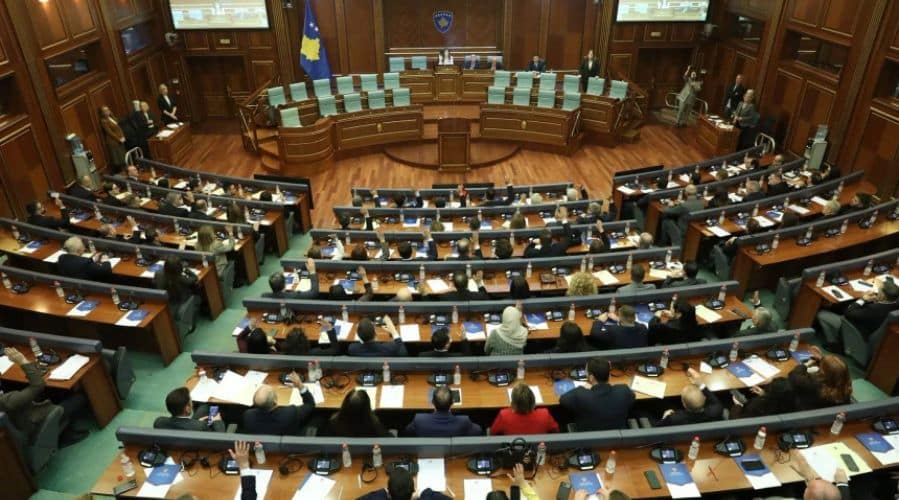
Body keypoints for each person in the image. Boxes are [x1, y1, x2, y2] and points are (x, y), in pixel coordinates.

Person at [0, 347, 63, 443]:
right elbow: (38, 385)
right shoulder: (7, 401)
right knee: (77, 399)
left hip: (19, 417)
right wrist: (22, 360)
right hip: (34, 422)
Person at [559, 357, 635, 431]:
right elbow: (632, 397)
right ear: (609, 376)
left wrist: (583, 388)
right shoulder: (624, 391)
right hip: (619, 438)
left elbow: (562, 400)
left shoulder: (580, 394)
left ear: (591, 377)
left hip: (589, 438)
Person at [242, 373, 314, 435]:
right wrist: (300, 385)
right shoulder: (290, 413)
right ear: (275, 400)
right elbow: (310, 404)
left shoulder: (248, 416)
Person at [405, 386, 481, 437]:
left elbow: (408, 431)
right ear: (453, 402)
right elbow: (478, 431)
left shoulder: (419, 420)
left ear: (432, 402)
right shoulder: (464, 421)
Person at [656, 368, 724, 426]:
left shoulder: (674, 418)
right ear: (705, 398)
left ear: (683, 404)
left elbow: (657, 428)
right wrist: (700, 384)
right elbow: (715, 401)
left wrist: (664, 417)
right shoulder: (716, 411)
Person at [490, 383, 559, 435]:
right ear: (533, 400)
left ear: (513, 403)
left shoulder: (504, 415)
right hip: (538, 448)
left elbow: (493, 432)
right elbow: (555, 430)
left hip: (513, 448)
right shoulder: (544, 414)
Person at [321, 389, 389, 437]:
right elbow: (389, 439)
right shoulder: (375, 426)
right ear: (367, 407)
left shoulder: (333, 424)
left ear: (345, 404)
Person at [358, 466, 451, 500]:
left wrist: (383, 492)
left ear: (389, 492)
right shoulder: (427, 497)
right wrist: (423, 493)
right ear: (413, 491)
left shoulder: (379, 497)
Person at [154, 387, 225, 431]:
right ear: (187, 409)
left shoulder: (159, 422)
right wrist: (217, 421)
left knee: (204, 407)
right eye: (191, 401)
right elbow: (219, 439)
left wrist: (196, 423)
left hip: (181, 439)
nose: (192, 404)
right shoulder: (201, 427)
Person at [730, 377, 796, 418]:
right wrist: (764, 394)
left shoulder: (757, 406)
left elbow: (737, 420)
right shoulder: (791, 405)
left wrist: (738, 406)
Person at [99, 106, 127, 171]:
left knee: (123, 156)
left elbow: (118, 127)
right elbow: (110, 132)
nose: (107, 111)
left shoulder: (111, 117)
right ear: (102, 113)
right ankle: (122, 171)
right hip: (114, 141)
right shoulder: (104, 121)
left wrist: (122, 137)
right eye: (105, 111)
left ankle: (125, 169)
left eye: (108, 109)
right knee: (119, 158)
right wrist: (119, 139)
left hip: (120, 139)